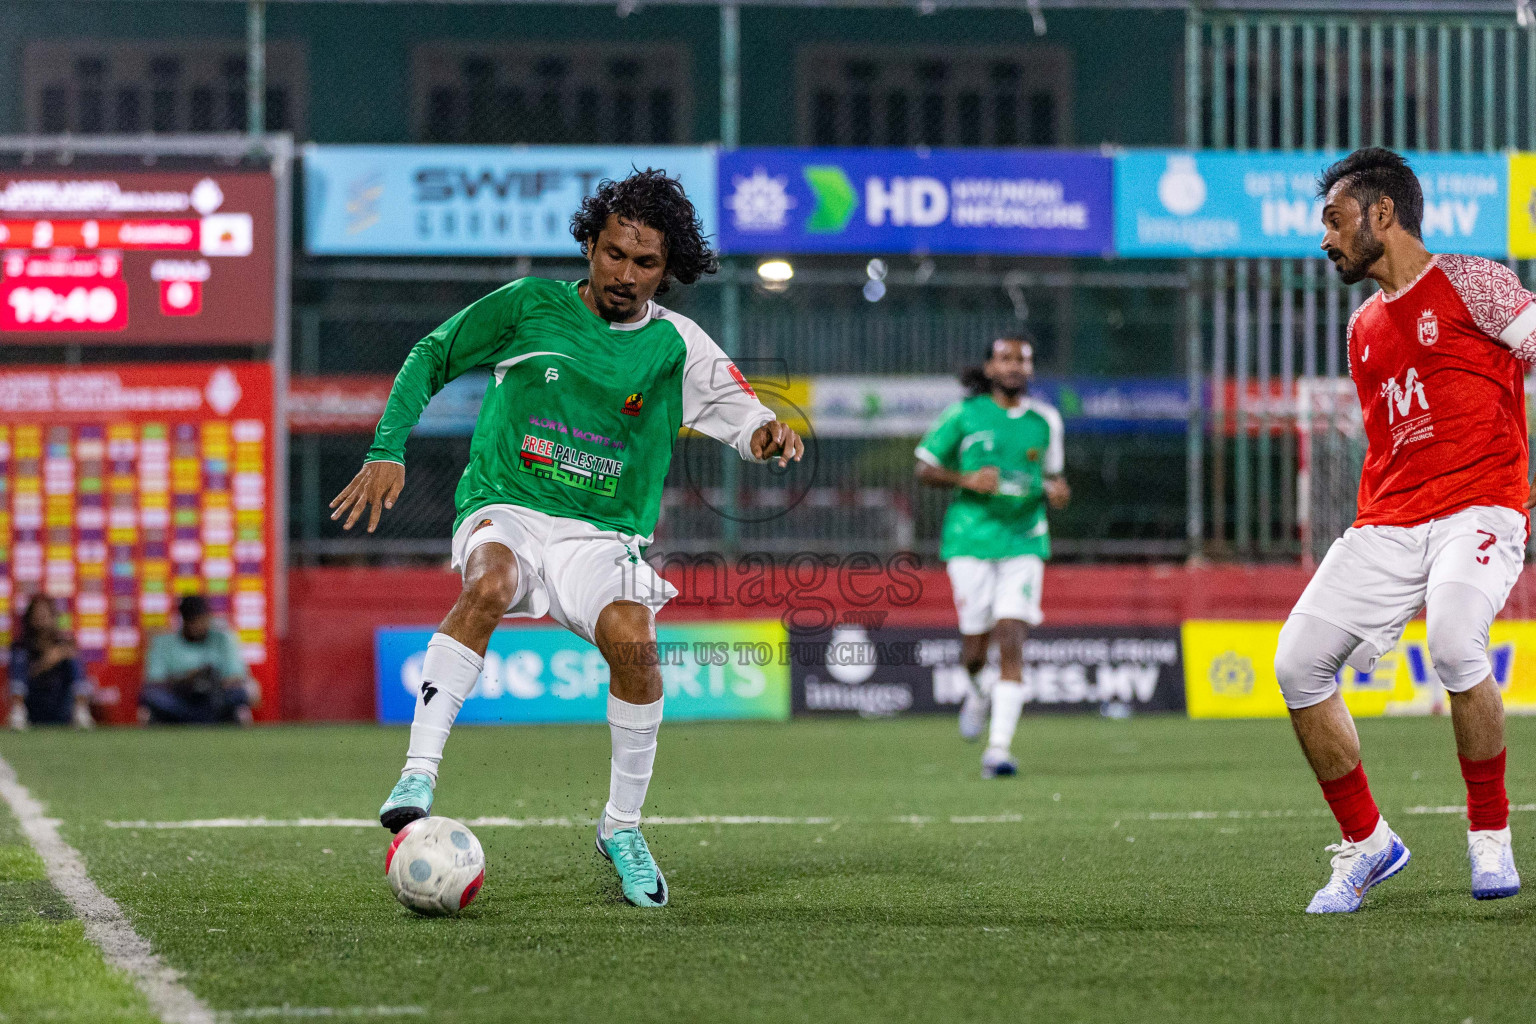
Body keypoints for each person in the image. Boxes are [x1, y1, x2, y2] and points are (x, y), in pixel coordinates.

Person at [330, 168, 803, 909]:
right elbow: (432, 353)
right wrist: (388, 446)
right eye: (614, 253)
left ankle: (621, 827)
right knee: (487, 582)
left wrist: (767, 436)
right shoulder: (528, 306)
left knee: (635, 643)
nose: (625, 273)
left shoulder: (677, 344)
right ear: (589, 242)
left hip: (601, 533)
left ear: (667, 269)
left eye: (645, 263)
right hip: (508, 504)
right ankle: (418, 772)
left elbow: (743, 416)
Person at [1277, 147, 1534, 913]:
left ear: (1379, 213)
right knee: (1296, 666)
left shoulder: (1474, 280)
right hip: (1389, 520)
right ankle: (1368, 844)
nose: (1324, 240)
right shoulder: (1361, 329)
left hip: (1481, 504)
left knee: (1456, 639)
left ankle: (1489, 835)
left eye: (1333, 220)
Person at [914, 335, 1069, 779]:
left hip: (1024, 541)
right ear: (989, 367)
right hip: (970, 543)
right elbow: (923, 468)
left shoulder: (1046, 420)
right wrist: (965, 478)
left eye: (1023, 359)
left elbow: (1054, 478)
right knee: (974, 651)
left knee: (1012, 640)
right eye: (1005, 359)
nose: (1014, 366)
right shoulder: (964, 414)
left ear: (1031, 369)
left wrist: (1059, 491)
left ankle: (998, 750)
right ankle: (978, 691)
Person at [139, 594, 257, 725]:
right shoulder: (163, 642)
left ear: (209, 618)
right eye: (192, 621)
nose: (197, 625)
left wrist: (211, 680)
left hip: (215, 702)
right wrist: (186, 680)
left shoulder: (223, 639)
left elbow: (237, 678)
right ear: (183, 620)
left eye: (201, 620)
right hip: (179, 702)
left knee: (243, 693)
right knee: (151, 696)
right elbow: (154, 682)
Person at [8, 594, 92, 730]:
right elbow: (22, 676)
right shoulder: (21, 646)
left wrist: (61, 655)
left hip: (60, 705)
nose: (41, 618)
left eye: (45, 614)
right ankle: (17, 712)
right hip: (32, 704)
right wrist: (46, 662)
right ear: (30, 618)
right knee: (20, 656)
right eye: (38, 614)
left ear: (53, 617)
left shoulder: (64, 644)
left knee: (72, 656)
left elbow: (76, 675)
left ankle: (81, 711)